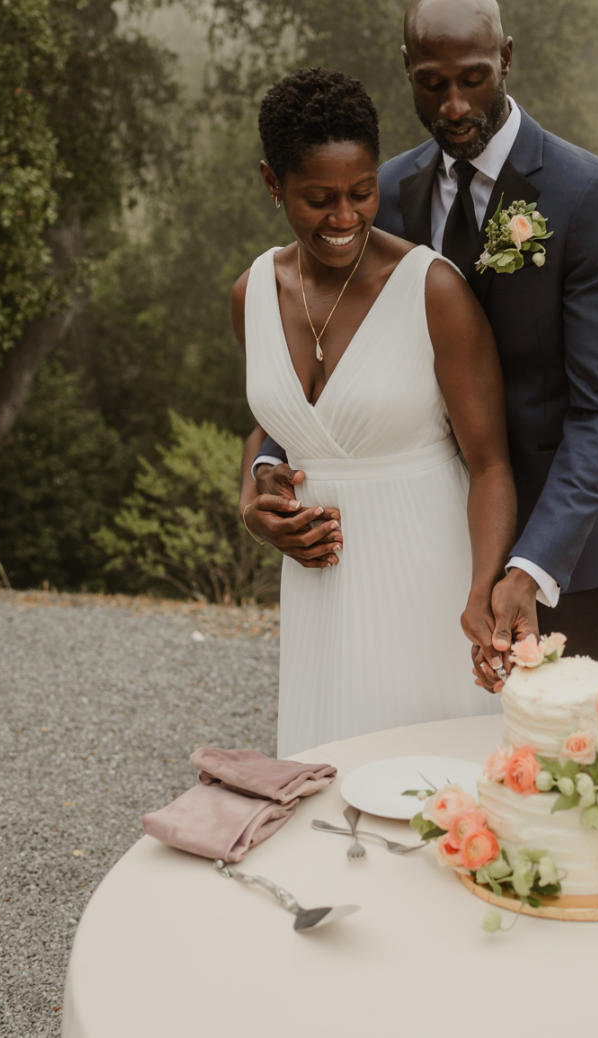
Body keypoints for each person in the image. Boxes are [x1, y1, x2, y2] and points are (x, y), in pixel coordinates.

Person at [246, 0, 598, 683]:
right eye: (432, 85)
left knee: (557, 759)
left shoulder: (585, 195)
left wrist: (529, 564)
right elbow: (328, 345)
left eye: (473, 80)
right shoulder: (382, 191)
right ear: (406, 69)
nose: (454, 106)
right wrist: (265, 466)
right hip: (414, 536)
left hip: (555, 547)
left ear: (507, 58)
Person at [233, 67, 515, 755]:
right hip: (319, 592)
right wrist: (254, 501)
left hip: (428, 579)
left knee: (432, 787)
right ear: (273, 185)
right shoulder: (251, 294)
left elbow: (490, 463)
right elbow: (275, 426)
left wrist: (482, 590)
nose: (344, 218)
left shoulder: (431, 289)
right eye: (317, 199)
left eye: (361, 193)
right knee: (328, 785)